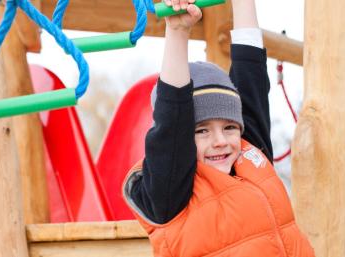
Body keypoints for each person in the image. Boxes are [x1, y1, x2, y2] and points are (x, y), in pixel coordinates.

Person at [122, 0, 316, 256]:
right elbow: (173, 120)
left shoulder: (250, 159)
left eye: (229, 127)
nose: (220, 140)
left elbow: (251, 76)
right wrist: (178, 32)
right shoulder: (171, 193)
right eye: (202, 130)